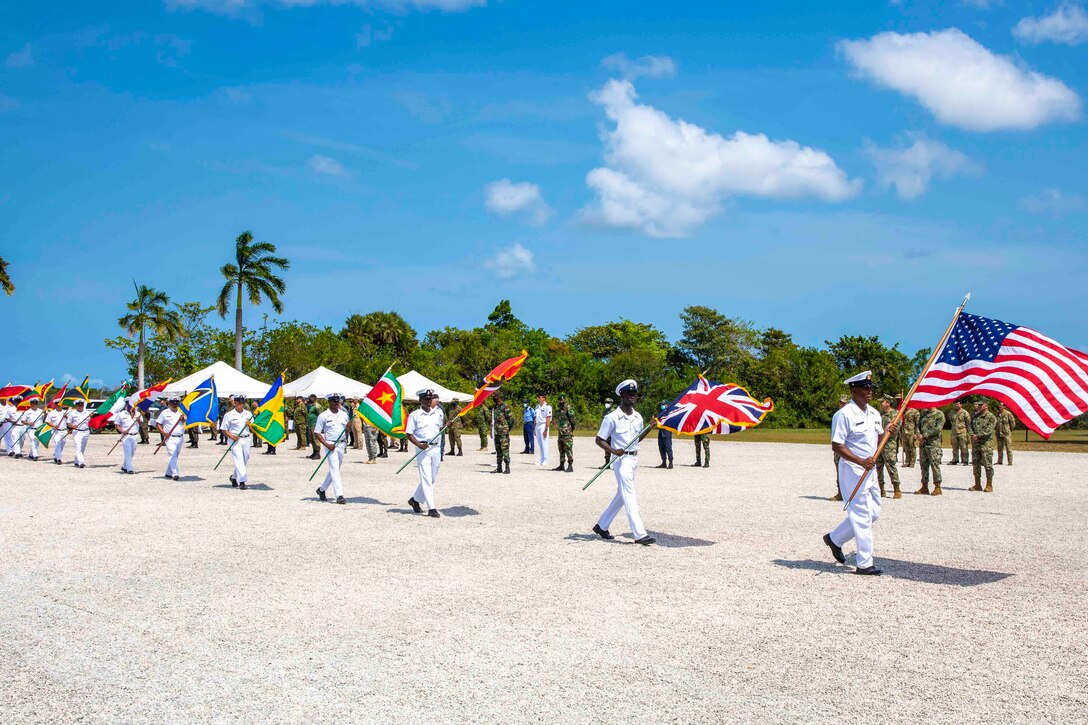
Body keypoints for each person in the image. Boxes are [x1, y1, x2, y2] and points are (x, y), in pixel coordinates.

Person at [822, 371, 890, 576]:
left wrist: (887, 434)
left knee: (874, 513)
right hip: (853, 469)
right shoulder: (844, 414)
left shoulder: (874, 414)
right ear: (854, 389)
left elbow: (877, 442)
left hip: (870, 469)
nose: (869, 392)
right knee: (861, 515)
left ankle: (835, 538)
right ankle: (864, 563)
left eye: (870, 388)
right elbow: (837, 446)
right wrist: (860, 461)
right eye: (865, 388)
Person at [592, 379, 656, 545]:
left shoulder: (637, 417)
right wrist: (613, 451)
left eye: (634, 394)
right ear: (621, 395)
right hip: (620, 460)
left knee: (622, 495)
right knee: (630, 494)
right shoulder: (612, 417)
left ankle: (601, 525)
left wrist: (648, 428)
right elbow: (599, 439)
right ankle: (639, 534)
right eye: (628, 394)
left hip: (634, 458)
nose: (632, 396)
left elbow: (636, 439)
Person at [406, 389, 446, 518]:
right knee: (426, 478)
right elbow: (409, 434)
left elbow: (440, 428)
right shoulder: (415, 415)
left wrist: (447, 426)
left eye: (430, 399)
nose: (428, 401)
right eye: (426, 399)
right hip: (423, 449)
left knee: (432, 477)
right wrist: (418, 445)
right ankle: (431, 508)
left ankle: (415, 499)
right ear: (420, 400)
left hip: (436, 449)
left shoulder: (438, 413)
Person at [314, 393, 350, 504]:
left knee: (335, 470)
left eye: (337, 401)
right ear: (328, 402)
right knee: (335, 469)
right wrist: (326, 444)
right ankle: (339, 495)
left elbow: (346, 430)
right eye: (333, 401)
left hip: (341, 444)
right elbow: (317, 433)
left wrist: (348, 429)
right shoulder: (323, 416)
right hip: (330, 445)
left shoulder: (344, 415)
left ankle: (321, 489)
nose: (336, 403)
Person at [221, 394, 254, 489]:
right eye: (239, 402)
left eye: (242, 402)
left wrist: (250, 424)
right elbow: (224, 429)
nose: (241, 404)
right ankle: (242, 481)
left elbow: (254, 428)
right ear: (234, 402)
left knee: (245, 459)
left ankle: (234, 477)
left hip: (246, 439)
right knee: (239, 459)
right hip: (235, 440)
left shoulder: (248, 414)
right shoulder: (229, 415)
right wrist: (231, 436)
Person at [915, 406, 945, 496]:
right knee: (923, 465)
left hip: (933, 444)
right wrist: (919, 436)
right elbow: (918, 426)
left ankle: (937, 487)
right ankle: (924, 486)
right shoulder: (924, 414)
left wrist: (924, 436)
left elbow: (938, 429)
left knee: (934, 465)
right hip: (923, 444)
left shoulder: (939, 414)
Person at [155, 395, 187, 480]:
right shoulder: (165, 413)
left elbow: (186, 423)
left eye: (177, 403)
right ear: (169, 403)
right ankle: (175, 474)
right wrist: (164, 433)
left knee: (175, 456)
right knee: (172, 454)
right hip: (170, 438)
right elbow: (158, 424)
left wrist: (183, 419)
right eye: (173, 402)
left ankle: (168, 473)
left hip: (180, 437)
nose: (175, 404)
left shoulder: (182, 412)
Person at [875, 396, 901, 498]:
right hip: (878, 445)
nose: (881, 404)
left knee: (891, 467)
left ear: (888, 403)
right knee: (878, 467)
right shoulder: (879, 415)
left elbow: (894, 431)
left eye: (882, 402)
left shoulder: (895, 415)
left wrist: (886, 432)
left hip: (889, 445)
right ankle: (881, 489)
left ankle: (896, 489)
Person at [970, 399, 998, 493]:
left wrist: (978, 436)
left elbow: (989, 430)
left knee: (987, 464)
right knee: (976, 464)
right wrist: (972, 435)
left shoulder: (991, 417)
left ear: (986, 405)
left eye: (981, 405)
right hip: (976, 444)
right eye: (979, 404)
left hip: (986, 444)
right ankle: (977, 484)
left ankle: (989, 484)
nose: (979, 406)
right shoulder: (975, 416)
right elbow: (970, 426)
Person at [111, 401, 141, 474]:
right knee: (127, 452)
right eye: (130, 404)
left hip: (135, 435)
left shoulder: (138, 414)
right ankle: (129, 469)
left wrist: (138, 419)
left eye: (133, 404)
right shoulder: (122, 414)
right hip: (126, 436)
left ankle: (124, 466)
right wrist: (122, 431)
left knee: (131, 453)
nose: (132, 406)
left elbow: (141, 423)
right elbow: (116, 424)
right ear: (126, 405)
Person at [491, 390, 515, 474]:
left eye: (494, 396)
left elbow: (511, 420)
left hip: (503, 432)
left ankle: (507, 468)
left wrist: (508, 429)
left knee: (505, 450)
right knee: (498, 450)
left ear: (498, 397)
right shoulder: (494, 407)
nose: (493, 398)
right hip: (497, 432)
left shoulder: (505, 406)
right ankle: (499, 467)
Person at [830, 396, 849, 501]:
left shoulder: (850, 415)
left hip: (847, 447)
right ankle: (840, 493)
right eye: (841, 403)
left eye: (845, 403)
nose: (843, 405)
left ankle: (850, 493)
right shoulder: (837, 415)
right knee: (839, 470)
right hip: (838, 447)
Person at [66, 398, 93, 469]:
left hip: (86, 431)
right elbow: (68, 423)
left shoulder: (87, 413)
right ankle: (81, 462)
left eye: (82, 405)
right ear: (76, 406)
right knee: (78, 446)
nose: (80, 406)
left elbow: (90, 422)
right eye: (78, 405)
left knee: (82, 448)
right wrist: (72, 426)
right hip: (77, 432)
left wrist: (91, 417)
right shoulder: (72, 413)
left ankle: (76, 461)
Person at [552, 394, 575, 473]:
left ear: (565, 400)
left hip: (567, 432)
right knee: (561, 448)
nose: (561, 402)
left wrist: (572, 429)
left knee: (568, 447)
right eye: (559, 401)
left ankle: (570, 465)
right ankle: (561, 464)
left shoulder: (568, 408)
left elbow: (572, 420)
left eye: (562, 400)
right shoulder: (559, 410)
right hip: (561, 432)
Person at [949, 400, 971, 466]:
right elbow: (951, 420)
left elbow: (968, 423)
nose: (956, 405)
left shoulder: (965, 413)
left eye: (958, 404)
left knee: (964, 447)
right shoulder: (952, 412)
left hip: (962, 432)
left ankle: (965, 460)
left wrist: (968, 432)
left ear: (961, 405)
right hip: (954, 432)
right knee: (954, 447)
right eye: (955, 404)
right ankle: (955, 460)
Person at [46, 400, 68, 464]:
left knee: (62, 444)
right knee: (57, 444)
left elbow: (70, 421)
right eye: (57, 405)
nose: (59, 406)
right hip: (56, 431)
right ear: (55, 405)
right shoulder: (51, 413)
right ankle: (59, 459)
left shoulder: (65, 412)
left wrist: (66, 417)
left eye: (60, 405)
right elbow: (47, 421)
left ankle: (56, 456)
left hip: (64, 431)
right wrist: (53, 425)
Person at [534, 393, 552, 467]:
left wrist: (546, 429)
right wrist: (534, 428)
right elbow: (535, 418)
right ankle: (541, 458)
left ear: (544, 398)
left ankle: (546, 459)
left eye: (539, 397)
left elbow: (548, 418)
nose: (538, 398)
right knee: (540, 443)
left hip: (543, 425)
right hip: (538, 425)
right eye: (538, 397)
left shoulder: (548, 407)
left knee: (544, 443)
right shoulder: (537, 406)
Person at [655, 399, 673, 469]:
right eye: (662, 404)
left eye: (664, 404)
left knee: (668, 448)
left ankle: (671, 463)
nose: (662, 406)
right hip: (661, 432)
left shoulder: (670, 413)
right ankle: (663, 462)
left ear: (667, 405)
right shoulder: (661, 412)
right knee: (661, 447)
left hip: (667, 432)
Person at [306, 394, 321, 460]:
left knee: (315, 439)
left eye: (310, 398)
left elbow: (320, 415)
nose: (309, 399)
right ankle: (314, 452)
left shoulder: (317, 406)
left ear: (314, 398)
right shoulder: (311, 406)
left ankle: (318, 453)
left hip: (315, 424)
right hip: (311, 424)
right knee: (311, 438)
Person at [602, 397, 614, 466]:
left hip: (612, 432)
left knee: (615, 447)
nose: (607, 404)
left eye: (608, 402)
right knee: (606, 447)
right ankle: (607, 463)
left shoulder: (614, 411)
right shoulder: (604, 412)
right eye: (606, 402)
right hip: (606, 433)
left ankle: (616, 464)